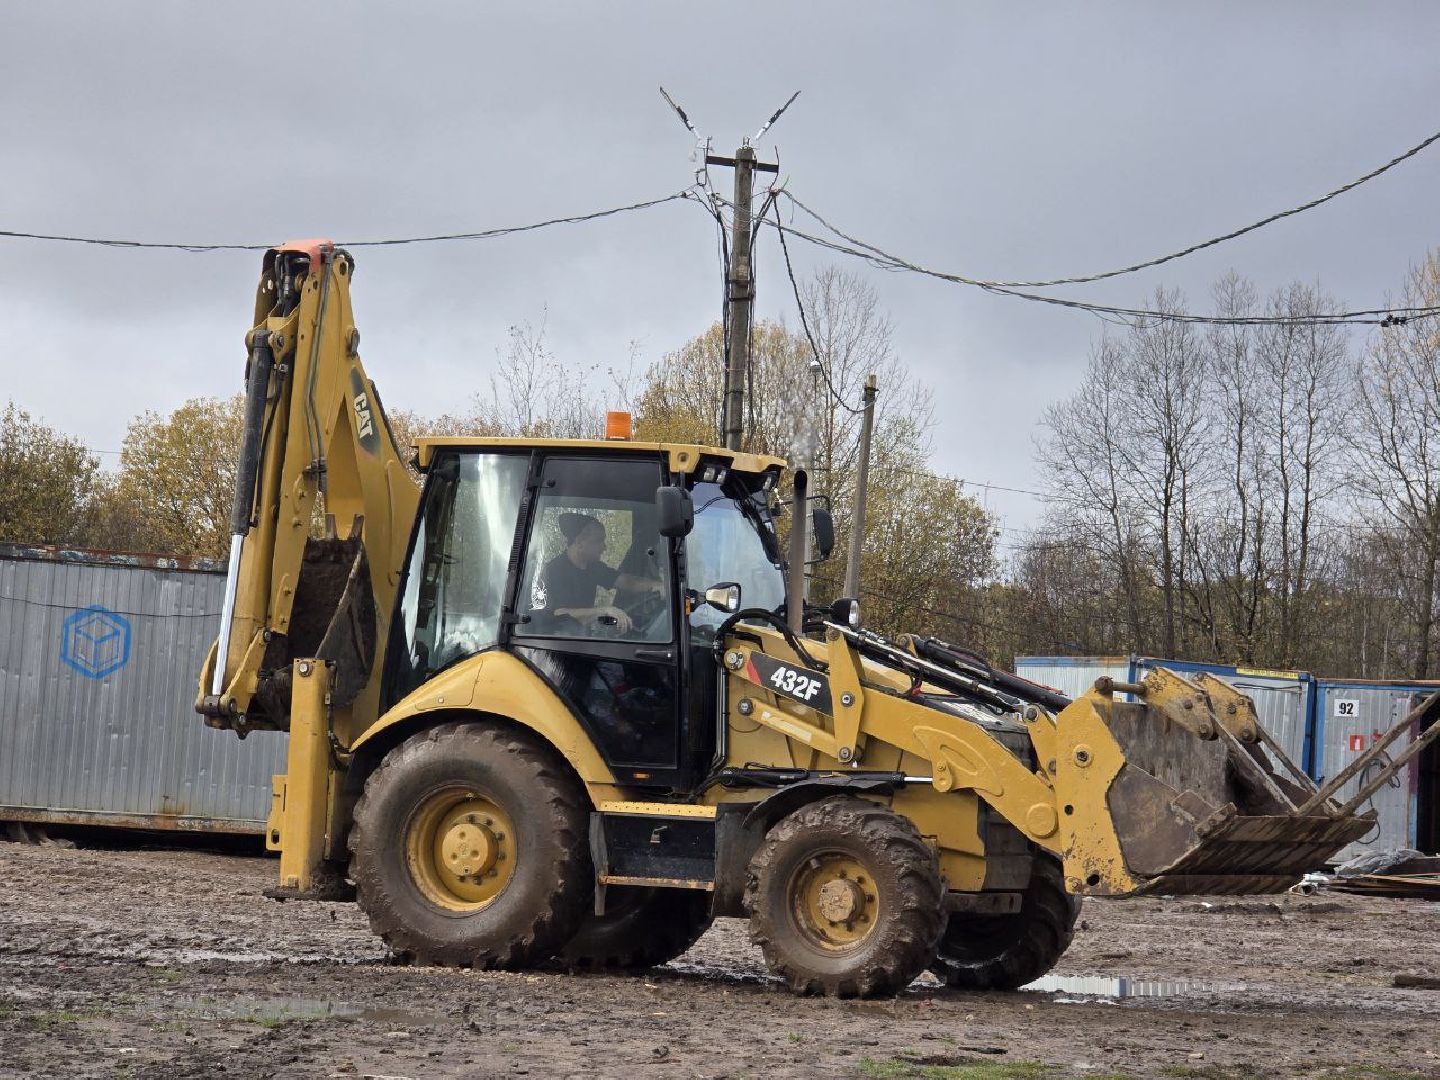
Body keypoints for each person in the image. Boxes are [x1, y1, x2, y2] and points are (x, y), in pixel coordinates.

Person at [538, 513, 663, 634]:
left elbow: (628, 582)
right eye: (599, 541)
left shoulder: (593, 567)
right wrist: (605, 611)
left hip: (582, 636)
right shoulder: (554, 571)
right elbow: (558, 614)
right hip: (556, 640)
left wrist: (661, 586)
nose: (604, 547)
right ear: (580, 543)